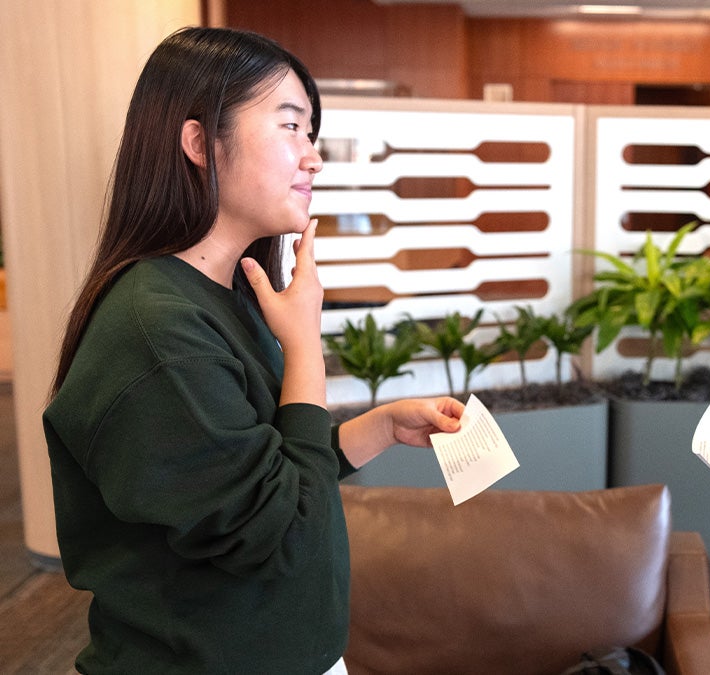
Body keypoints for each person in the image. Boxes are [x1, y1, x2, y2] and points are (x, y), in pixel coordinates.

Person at [42, 26, 464, 674]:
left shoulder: (226, 294)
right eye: (291, 126)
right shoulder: (158, 329)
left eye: (311, 133)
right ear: (199, 143)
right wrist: (304, 347)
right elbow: (280, 533)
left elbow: (264, 471)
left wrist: (375, 428)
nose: (313, 157)